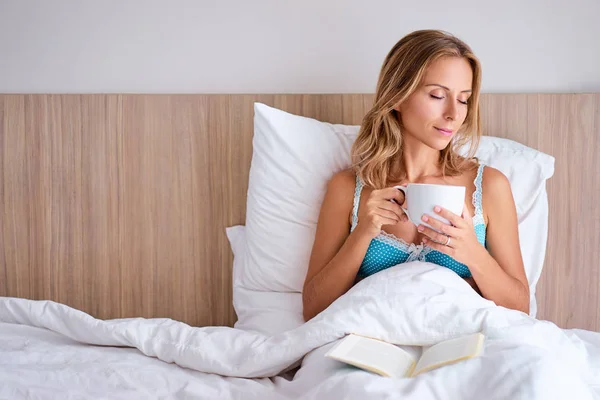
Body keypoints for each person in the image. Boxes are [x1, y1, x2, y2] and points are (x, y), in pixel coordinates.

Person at [302, 30, 530, 322]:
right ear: (397, 95)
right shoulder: (348, 188)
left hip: (463, 345)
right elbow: (312, 309)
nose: (453, 114)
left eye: (463, 100)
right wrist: (363, 232)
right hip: (373, 346)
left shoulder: (489, 185)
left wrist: (471, 251)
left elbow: (521, 308)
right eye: (437, 95)